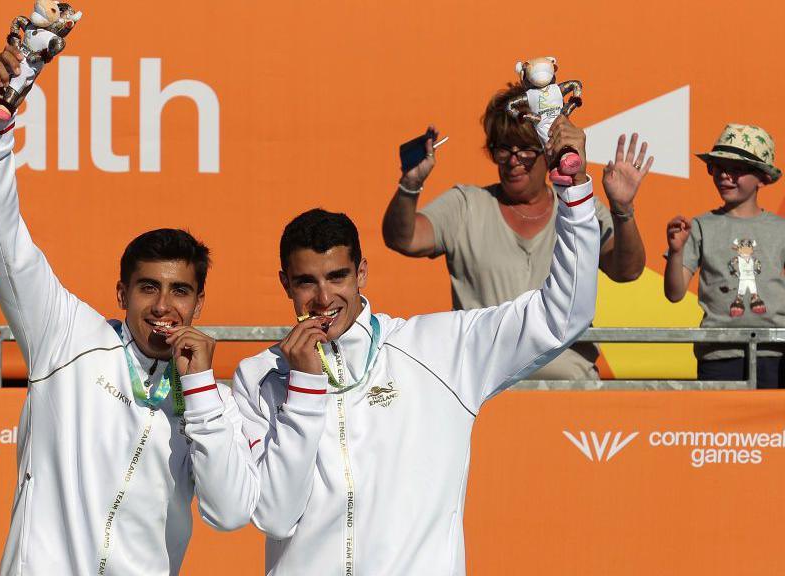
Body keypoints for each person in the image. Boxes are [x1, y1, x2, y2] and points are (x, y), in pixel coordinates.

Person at [233, 116, 599, 575]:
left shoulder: (438, 350)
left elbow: (563, 313)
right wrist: (305, 386)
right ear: (285, 283)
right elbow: (273, 515)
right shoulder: (258, 377)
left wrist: (575, 191)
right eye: (307, 282)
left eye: (338, 277)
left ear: (362, 272)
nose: (324, 298)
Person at [0, 46, 258, 576]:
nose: (163, 307)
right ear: (122, 294)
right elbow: (5, 246)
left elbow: (231, 512)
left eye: (180, 291)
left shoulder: (215, 401)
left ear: (199, 302)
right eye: (148, 288)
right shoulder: (67, 338)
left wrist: (197, 395)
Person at [382, 83, 651, 380]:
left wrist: (623, 210)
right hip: (485, 388)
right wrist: (410, 185)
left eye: (525, 149)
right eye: (503, 149)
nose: (513, 161)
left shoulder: (578, 207)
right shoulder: (466, 205)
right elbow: (403, 237)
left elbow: (627, 270)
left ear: (548, 152)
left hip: (570, 392)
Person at [665, 123, 785, 388]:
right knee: (720, 428)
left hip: (775, 352)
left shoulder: (780, 229)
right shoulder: (700, 226)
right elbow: (674, 293)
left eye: (737, 169)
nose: (724, 176)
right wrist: (676, 252)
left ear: (762, 177)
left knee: (772, 429)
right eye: (718, 167)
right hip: (719, 352)